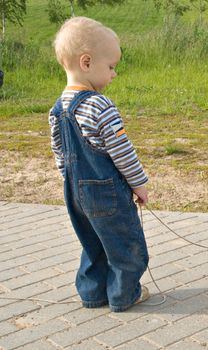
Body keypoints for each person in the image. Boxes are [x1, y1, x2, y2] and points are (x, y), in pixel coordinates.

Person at [49, 17, 150, 312]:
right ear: (87, 62)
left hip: (75, 193)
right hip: (107, 193)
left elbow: (60, 155)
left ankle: (92, 295)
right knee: (124, 244)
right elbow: (122, 152)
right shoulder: (100, 105)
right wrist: (139, 184)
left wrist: (70, 184)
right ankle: (123, 295)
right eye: (111, 66)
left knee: (92, 243)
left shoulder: (57, 109)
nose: (114, 73)